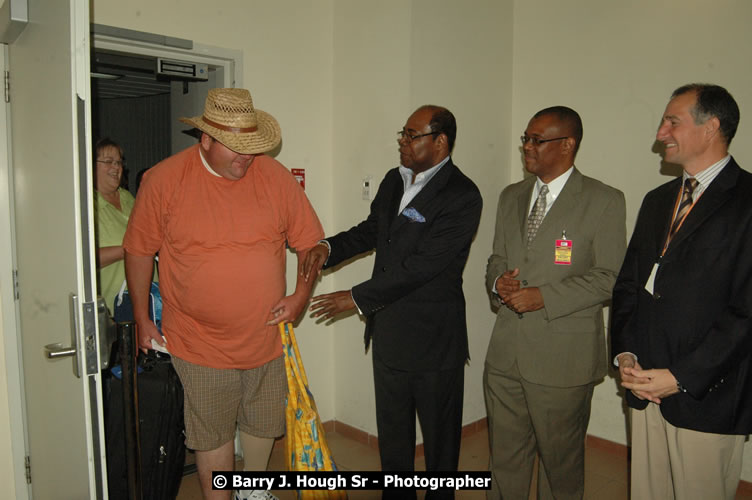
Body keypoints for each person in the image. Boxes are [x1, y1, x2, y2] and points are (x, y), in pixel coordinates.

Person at [123, 88, 324, 500]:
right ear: (206, 140)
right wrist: (142, 318)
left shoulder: (275, 178)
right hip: (199, 342)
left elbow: (312, 244)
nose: (246, 158)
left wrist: (302, 294)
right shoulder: (164, 180)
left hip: (266, 336)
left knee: (263, 421)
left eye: (251, 148)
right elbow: (139, 250)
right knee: (211, 429)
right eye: (236, 148)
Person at [303, 105, 482, 499]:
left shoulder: (462, 195)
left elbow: (423, 267)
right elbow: (371, 232)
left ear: (440, 141)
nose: (402, 141)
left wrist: (355, 297)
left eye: (411, 135)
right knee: (394, 440)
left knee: (439, 448)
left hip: (435, 341)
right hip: (388, 334)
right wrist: (327, 247)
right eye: (403, 133)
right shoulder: (393, 181)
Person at [612, 84, 752, 500]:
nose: (660, 132)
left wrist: (681, 377)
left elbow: (746, 311)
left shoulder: (747, 201)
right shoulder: (658, 200)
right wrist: (625, 353)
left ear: (711, 128)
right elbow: (629, 285)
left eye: (673, 121)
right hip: (643, 384)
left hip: (708, 393)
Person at [484, 106, 626, 500]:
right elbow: (497, 257)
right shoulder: (510, 196)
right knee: (505, 461)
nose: (527, 147)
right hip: (506, 354)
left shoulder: (604, 200)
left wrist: (543, 297)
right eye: (525, 139)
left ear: (567, 145)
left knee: (559, 466)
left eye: (537, 140)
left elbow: (611, 277)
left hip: (563, 359)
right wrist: (498, 282)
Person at [93, 138, 135, 312]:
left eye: (118, 162)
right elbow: (85, 259)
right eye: (108, 161)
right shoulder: (88, 205)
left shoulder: (127, 197)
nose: (116, 167)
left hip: (145, 301)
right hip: (111, 306)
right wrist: (132, 250)